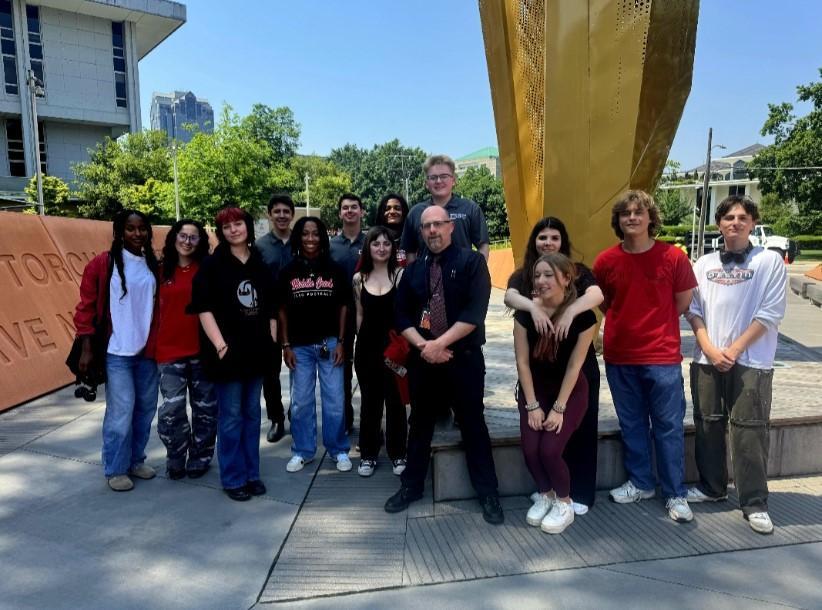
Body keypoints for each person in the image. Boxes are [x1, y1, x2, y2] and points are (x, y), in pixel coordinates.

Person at [385, 206, 503, 525]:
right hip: (424, 359)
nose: (433, 231)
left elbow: (474, 313)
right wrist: (425, 346)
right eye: (427, 226)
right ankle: (411, 486)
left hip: (462, 359)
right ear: (421, 232)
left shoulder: (472, 262)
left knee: (473, 424)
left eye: (438, 224)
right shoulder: (413, 271)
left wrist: (440, 344)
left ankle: (488, 492)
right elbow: (402, 315)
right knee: (420, 424)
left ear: (451, 227)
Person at [592, 190, 697, 523]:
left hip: (662, 355)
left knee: (668, 427)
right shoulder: (606, 261)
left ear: (651, 218)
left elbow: (682, 302)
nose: (632, 218)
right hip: (620, 354)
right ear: (618, 221)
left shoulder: (673, 258)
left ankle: (675, 493)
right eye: (625, 213)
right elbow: (605, 303)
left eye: (639, 212)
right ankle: (640, 482)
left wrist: (656, 323)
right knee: (632, 423)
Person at [686, 195, 787, 534]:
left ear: (753, 223)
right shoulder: (702, 264)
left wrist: (734, 350)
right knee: (708, 423)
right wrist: (710, 349)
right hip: (707, 358)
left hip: (752, 360)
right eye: (729, 217)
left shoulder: (769, 261)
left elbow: (770, 313)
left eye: (743, 217)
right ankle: (712, 488)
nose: (736, 222)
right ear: (719, 224)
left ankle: (754, 502)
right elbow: (693, 310)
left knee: (749, 430)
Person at [504, 217, 603, 515]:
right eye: (542, 237)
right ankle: (550, 491)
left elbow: (597, 295)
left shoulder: (577, 272)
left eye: (554, 237)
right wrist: (533, 306)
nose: (547, 242)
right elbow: (510, 296)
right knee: (540, 441)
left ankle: (577, 494)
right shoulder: (526, 276)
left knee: (580, 430)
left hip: (576, 366)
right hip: (539, 372)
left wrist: (570, 310)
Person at [191, 207, 278, 502]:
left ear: (248, 227)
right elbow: (203, 308)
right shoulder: (212, 266)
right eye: (226, 226)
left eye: (238, 224)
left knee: (252, 414)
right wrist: (219, 345)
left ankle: (252, 474)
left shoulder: (259, 263)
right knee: (230, 417)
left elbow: (270, 308)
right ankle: (233, 477)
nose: (233, 230)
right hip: (227, 353)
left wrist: (272, 339)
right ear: (220, 232)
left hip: (256, 351)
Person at [73, 208, 159, 492]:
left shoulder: (153, 264)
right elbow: (85, 307)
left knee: (145, 411)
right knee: (121, 413)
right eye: (131, 229)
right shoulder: (103, 264)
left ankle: (136, 460)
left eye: (142, 228)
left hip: (147, 352)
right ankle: (115, 467)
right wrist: (86, 346)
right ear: (119, 232)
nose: (137, 234)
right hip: (117, 352)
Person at [514, 253, 596, 534]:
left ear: (566, 278)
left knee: (549, 450)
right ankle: (546, 494)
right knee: (530, 450)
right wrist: (533, 406)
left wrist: (559, 408)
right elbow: (522, 362)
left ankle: (564, 503)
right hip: (534, 390)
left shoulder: (584, 318)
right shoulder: (526, 314)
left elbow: (575, 365)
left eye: (549, 275)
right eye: (537, 275)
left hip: (569, 392)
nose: (541, 281)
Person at [279, 216, 352, 473]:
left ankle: (338, 449)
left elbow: (344, 306)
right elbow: (282, 310)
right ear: (298, 237)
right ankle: (303, 451)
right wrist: (285, 344)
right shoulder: (288, 271)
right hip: (299, 347)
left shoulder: (335, 269)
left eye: (315, 234)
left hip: (330, 343)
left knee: (334, 400)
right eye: (305, 234)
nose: (310, 239)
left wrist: (342, 341)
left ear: (323, 237)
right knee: (301, 402)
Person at [155, 219, 217, 480]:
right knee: (171, 412)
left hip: (202, 351)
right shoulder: (160, 271)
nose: (188, 241)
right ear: (174, 238)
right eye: (183, 235)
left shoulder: (207, 270)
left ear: (200, 241)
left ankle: (201, 456)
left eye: (194, 237)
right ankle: (177, 455)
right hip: (169, 352)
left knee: (205, 410)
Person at [352, 226, 407, 477]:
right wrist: (359, 344)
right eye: (376, 244)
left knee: (395, 401)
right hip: (367, 349)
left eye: (386, 243)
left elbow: (407, 315)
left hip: (395, 350)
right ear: (368, 247)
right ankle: (368, 454)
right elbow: (359, 315)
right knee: (370, 402)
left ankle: (398, 453)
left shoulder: (400, 276)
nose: (382, 248)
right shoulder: (358, 279)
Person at [255, 193, 295, 443]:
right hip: (268, 315)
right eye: (276, 211)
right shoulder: (259, 247)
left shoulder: (301, 242)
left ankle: (297, 413)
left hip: (298, 313)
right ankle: (277, 418)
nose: (281, 215)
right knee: (269, 372)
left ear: (292, 215)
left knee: (298, 367)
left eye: (286, 211)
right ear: (269, 214)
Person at [400, 154, 490, 263]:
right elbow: (410, 251)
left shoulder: (470, 208)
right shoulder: (415, 213)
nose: (438, 181)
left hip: (463, 277)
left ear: (453, 180)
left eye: (444, 176)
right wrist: (414, 277)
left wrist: (477, 272)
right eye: (433, 177)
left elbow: (483, 245)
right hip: (426, 278)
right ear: (426, 184)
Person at [330, 193, 365, 435]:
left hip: (367, 315)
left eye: (354, 207)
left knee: (367, 370)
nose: (350, 211)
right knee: (340, 370)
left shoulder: (373, 241)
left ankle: (371, 422)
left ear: (362, 211)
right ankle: (344, 419)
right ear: (340, 213)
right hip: (337, 318)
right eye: (345, 208)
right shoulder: (330, 246)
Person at [375, 192, 410, 266]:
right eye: (387, 209)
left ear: (404, 212)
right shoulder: (373, 239)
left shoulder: (412, 239)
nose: (392, 212)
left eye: (397, 208)